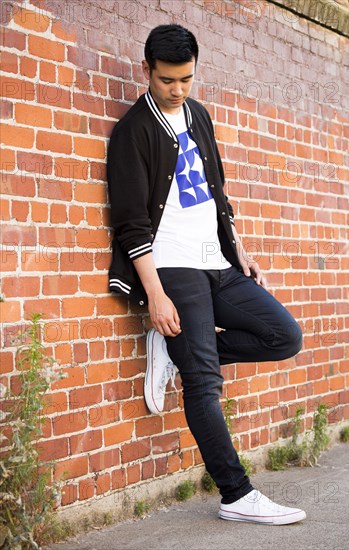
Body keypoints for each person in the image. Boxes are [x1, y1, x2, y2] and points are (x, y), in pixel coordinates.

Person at [107, 24, 306, 525]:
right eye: (167, 80)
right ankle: (236, 495)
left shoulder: (198, 115)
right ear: (147, 71)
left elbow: (218, 190)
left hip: (216, 261)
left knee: (284, 335)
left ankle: (182, 351)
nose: (178, 89)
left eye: (187, 80)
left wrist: (240, 249)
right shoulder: (134, 131)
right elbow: (130, 224)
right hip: (172, 265)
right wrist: (154, 295)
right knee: (204, 383)